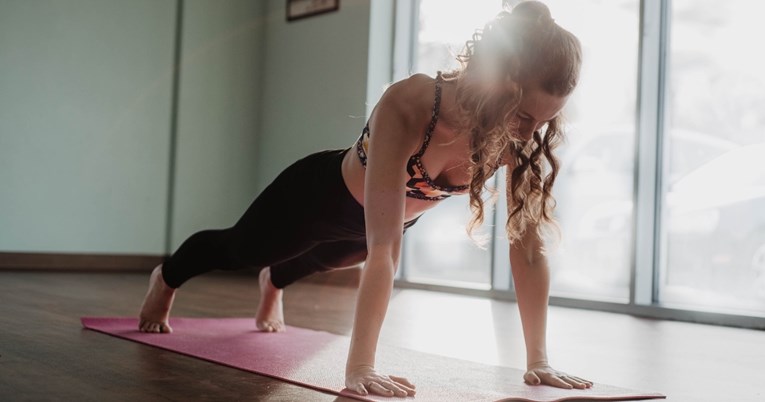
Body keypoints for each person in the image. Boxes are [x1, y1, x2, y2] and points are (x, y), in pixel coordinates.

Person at [138, 0, 592, 396]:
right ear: (502, 81)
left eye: (544, 122)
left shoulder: (515, 137)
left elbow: (529, 251)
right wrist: (360, 367)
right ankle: (167, 278)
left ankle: (273, 283)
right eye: (526, 115)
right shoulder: (411, 103)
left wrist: (539, 361)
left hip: (368, 227)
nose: (530, 134)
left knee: (322, 261)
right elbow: (385, 251)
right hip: (315, 198)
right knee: (242, 249)